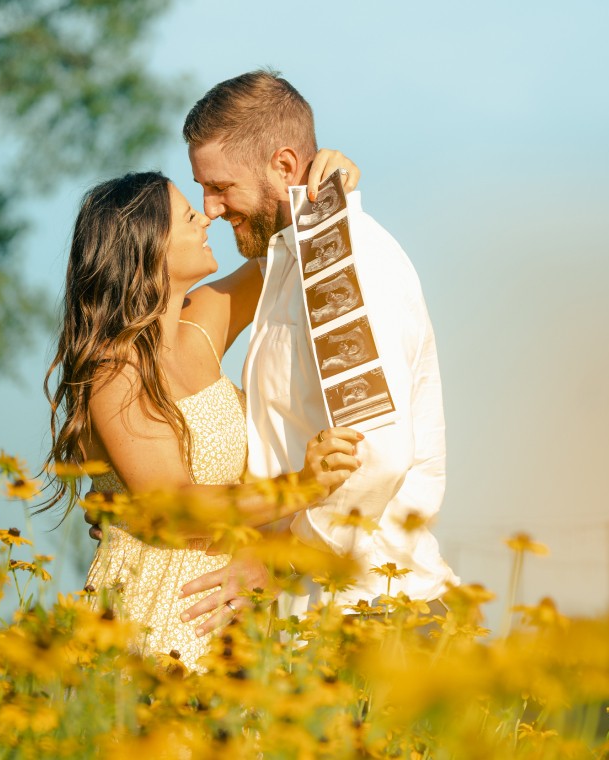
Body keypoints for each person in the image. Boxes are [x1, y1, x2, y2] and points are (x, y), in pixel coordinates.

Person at [43, 164, 363, 671]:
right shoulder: (114, 370)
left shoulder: (203, 323)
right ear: (151, 246)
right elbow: (173, 505)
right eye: (190, 215)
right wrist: (299, 487)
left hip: (231, 617)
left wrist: (324, 178)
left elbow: (287, 251)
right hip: (153, 616)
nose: (207, 220)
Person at [173, 69, 459, 634]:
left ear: (282, 165)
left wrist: (275, 558)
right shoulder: (288, 261)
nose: (209, 207)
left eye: (221, 187)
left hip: (374, 616)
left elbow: (375, 452)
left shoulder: (341, 270)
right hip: (319, 616)